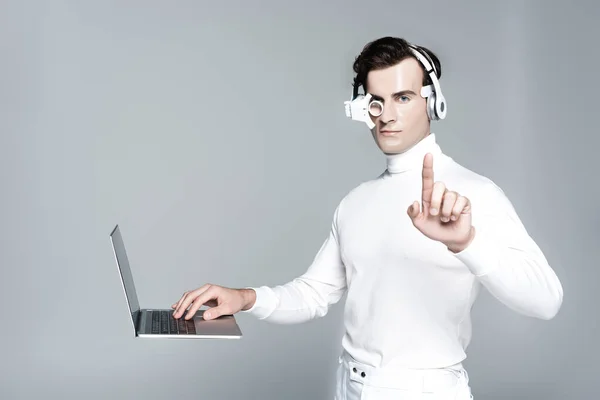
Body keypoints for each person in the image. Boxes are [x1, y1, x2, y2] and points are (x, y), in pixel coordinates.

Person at [171, 36, 563, 399]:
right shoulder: (356, 202)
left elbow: (546, 300)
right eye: (376, 101)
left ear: (433, 103)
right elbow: (314, 293)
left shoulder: (473, 193)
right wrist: (244, 298)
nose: (387, 115)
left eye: (404, 97)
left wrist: (466, 242)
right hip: (349, 386)